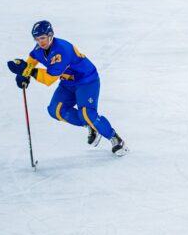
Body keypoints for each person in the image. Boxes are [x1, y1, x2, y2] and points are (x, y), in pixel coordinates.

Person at [7, 20, 129, 156]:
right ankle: (90, 125)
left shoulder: (62, 51)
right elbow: (32, 58)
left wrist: (29, 71)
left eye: (42, 38)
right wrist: (25, 73)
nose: (40, 42)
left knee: (86, 113)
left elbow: (49, 79)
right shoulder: (39, 49)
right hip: (68, 83)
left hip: (86, 80)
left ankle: (115, 138)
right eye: (37, 39)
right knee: (55, 110)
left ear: (50, 35)